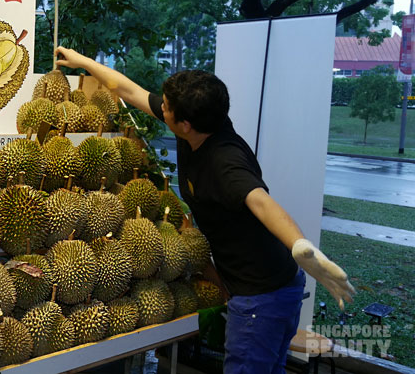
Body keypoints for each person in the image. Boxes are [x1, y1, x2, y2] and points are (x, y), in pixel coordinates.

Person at [54, 46, 355, 373]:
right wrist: (82, 62)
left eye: (166, 107)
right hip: (270, 287)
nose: (161, 108)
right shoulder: (199, 124)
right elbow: (130, 91)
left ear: (184, 123)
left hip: (261, 298)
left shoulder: (224, 162)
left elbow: (261, 202)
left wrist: (300, 245)